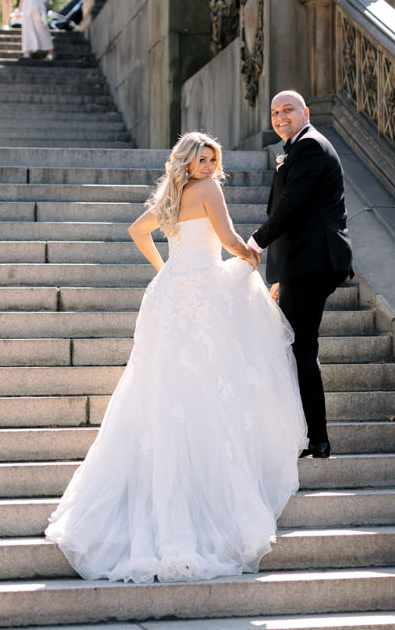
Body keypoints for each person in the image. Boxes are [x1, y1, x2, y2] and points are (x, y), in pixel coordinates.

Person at [45, 132, 307, 583]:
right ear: (187, 162)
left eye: (211, 159)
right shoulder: (209, 190)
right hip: (200, 289)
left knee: (163, 389)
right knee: (203, 383)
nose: (207, 166)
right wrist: (254, 256)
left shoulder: (172, 194)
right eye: (201, 159)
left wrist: (164, 270)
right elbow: (226, 239)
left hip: (169, 294)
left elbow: (137, 230)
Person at [248, 91, 354, 460]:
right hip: (304, 262)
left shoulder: (309, 146)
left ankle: (315, 438)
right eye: (275, 112)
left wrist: (255, 242)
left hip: (314, 260)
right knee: (299, 346)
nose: (280, 117)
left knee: (300, 346)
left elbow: (292, 206)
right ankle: (313, 437)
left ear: (305, 112)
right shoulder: (298, 147)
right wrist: (279, 276)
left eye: (287, 110)